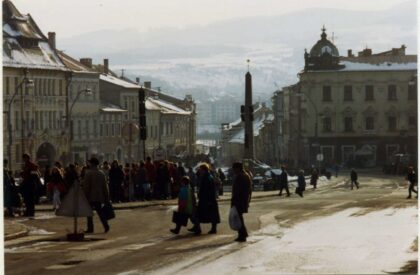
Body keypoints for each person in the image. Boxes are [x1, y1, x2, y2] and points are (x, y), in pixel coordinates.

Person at [190, 163, 220, 235]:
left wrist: (209, 199)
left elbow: (208, 189)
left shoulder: (207, 177)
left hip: (207, 199)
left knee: (205, 214)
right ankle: (198, 227)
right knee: (209, 214)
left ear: (203, 170)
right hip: (207, 199)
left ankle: (199, 228)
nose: (199, 171)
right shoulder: (207, 176)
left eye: (200, 169)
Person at [82, 157, 110, 233]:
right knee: (100, 212)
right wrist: (107, 198)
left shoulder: (88, 173)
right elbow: (105, 187)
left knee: (89, 213)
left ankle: (90, 228)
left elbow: (86, 187)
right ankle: (106, 226)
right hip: (99, 197)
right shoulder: (101, 174)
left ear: (92, 164)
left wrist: (84, 196)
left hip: (90, 197)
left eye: (90, 163)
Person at [231, 162, 252, 242]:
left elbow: (238, 191)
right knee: (239, 218)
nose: (233, 170)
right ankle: (243, 233)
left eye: (234, 168)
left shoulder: (240, 176)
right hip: (243, 200)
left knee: (238, 218)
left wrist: (234, 201)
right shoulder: (245, 175)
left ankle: (242, 235)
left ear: (238, 168)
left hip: (239, 201)